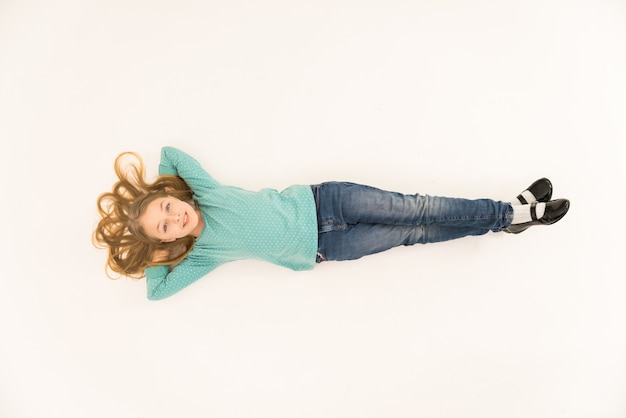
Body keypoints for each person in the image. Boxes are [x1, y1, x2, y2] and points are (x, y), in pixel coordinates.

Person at [93, 146, 570, 301]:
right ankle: (507, 219)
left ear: (172, 196)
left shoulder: (204, 194)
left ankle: (511, 212)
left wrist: (145, 201)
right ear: (170, 241)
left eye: (167, 209)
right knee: (417, 232)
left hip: (327, 199)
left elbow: (170, 153)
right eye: (165, 228)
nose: (174, 218)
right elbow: (156, 292)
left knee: (419, 208)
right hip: (328, 249)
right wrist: (149, 251)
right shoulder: (200, 255)